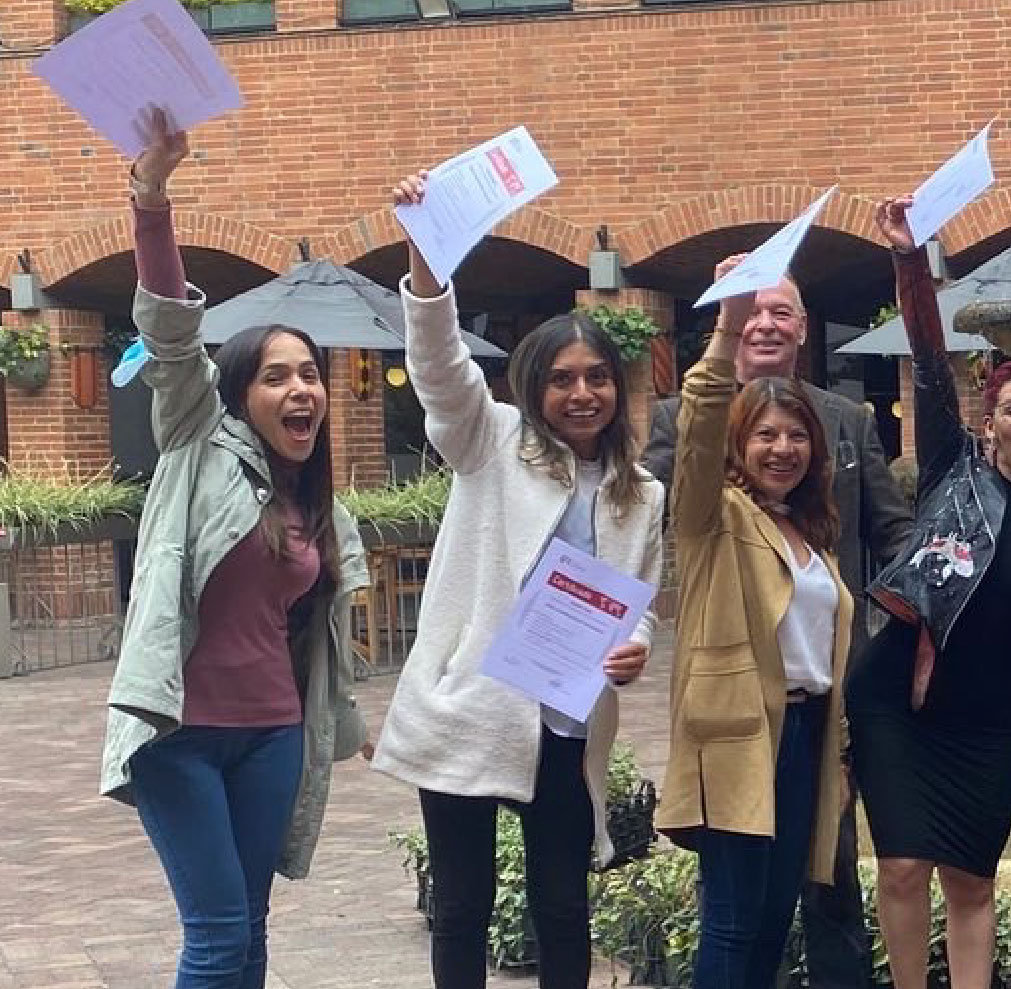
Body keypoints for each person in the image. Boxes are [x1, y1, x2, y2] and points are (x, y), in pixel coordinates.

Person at [99, 107, 372, 989]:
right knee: (216, 937)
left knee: (250, 931)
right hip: (178, 729)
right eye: (278, 374)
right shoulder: (196, 439)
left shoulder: (321, 505)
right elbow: (172, 332)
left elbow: (316, 635)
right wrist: (152, 199)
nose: (302, 390)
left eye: (311, 376)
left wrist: (348, 721)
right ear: (240, 390)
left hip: (272, 735)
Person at [374, 171, 666, 989]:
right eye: (562, 378)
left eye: (597, 377)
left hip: (567, 723)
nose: (581, 393)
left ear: (618, 386)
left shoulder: (642, 492)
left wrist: (634, 646)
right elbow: (437, 365)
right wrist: (427, 254)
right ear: (533, 386)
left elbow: (635, 599)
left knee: (563, 906)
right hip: (474, 707)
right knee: (461, 907)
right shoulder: (491, 441)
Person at [846, 197, 1011, 989]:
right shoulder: (955, 474)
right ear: (989, 425)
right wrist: (911, 261)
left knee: (973, 880)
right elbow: (928, 359)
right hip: (904, 704)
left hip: (993, 726)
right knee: (902, 867)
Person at [640, 276, 909, 989]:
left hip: (808, 735)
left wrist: (842, 744)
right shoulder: (712, 517)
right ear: (739, 443)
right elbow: (696, 429)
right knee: (731, 919)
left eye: (794, 436)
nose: (781, 448)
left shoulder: (810, 532)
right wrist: (726, 326)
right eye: (764, 435)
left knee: (775, 914)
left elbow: (822, 647)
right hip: (737, 737)